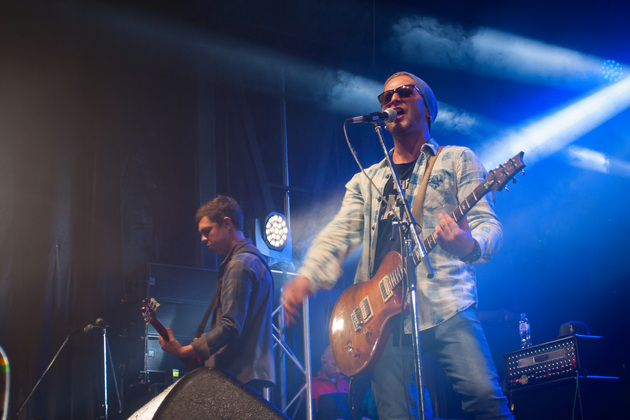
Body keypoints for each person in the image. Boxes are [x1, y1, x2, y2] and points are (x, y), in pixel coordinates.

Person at [283, 72, 513, 419]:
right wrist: (307, 277)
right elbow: (338, 233)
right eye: (385, 96)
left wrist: (468, 245)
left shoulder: (457, 160)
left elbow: (488, 225)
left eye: (405, 92)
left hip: (446, 303)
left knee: (485, 400)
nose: (393, 99)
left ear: (427, 108)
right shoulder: (367, 179)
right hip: (381, 318)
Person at [159, 195, 275, 395]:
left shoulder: (239, 264)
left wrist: (184, 350)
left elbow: (230, 327)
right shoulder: (255, 260)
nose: (203, 239)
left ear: (226, 223)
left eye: (207, 231)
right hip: (245, 376)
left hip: (237, 377)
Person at [312, 345, 352, 420]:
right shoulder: (311, 386)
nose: (338, 371)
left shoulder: (346, 382)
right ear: (323, 359)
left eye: (340, 366)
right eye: (334, 365)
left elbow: (353, 412)